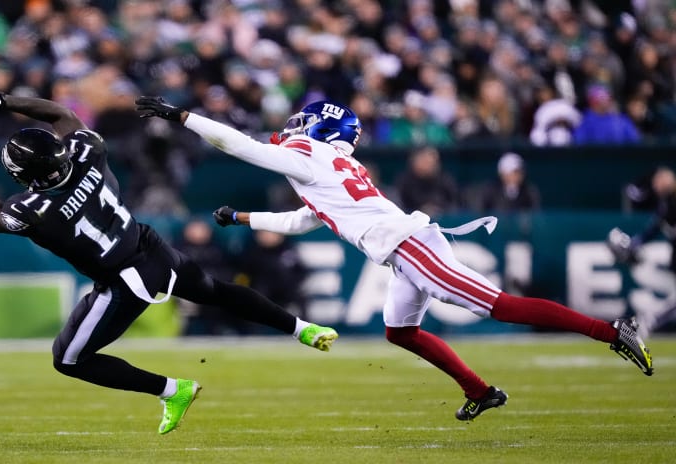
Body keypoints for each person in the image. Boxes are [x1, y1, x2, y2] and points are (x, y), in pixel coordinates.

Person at [135, 96, 654, 422]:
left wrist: (183, 117)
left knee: (498, 306)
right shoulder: (326, 165)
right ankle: (480, 391)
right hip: (404, 246)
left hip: (409, 247)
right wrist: (242, 218)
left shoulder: (310, 158)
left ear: (317, 129)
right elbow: (303, 220)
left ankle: (613, 332)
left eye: (304, 120)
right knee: (399, 333)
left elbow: (240, 145)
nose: (294, 125)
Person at [0, 82, 337, 435]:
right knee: (215, 292)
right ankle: (303, 328)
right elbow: (61, 115)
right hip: (148, 245)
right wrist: (3, 100)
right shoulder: (89, 152)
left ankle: (171, 389)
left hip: (124, 281)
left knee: (68, 359)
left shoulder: (33, 212)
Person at [608, 166, 676, 337]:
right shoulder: (666, 205)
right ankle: (651, 321)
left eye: (660, 181)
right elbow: (651, 231)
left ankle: (651, 320)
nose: (656, 186)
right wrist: (633, 244)